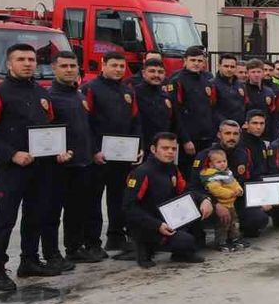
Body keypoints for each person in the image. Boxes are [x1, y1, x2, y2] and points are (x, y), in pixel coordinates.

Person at [0, 43, 68, 291]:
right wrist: (12, 154)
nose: (27, 64)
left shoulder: (41, 93)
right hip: (12, 170)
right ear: (9, 64)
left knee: (35, 216)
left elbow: (50, 126)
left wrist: (59, 149)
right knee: (4, 220)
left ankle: (29, 261)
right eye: (21, 59)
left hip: (41, 168)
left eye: (31, 60)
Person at [124, 132, 213, 268]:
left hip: (169, 219)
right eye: (165, 148)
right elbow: (129, 207)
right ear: (153, 149)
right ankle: (145, 247)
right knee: (186, 241)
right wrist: (157, 225)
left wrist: (205, 199)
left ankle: (180, 252)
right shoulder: (142, 173)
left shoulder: (172, 168)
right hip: (149, 224)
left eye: (173, 149)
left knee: (200, 209)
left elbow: (186, 190)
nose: (170, 152)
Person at [83, 51, 141, 255]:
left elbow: (135, 121)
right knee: (93, 201)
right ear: (103, 65)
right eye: (114, 65)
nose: (118, 70)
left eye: (121, 66)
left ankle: (116, 237)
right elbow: (85, 123)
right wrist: (93, 150)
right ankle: (92, 243)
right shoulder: (90, 89)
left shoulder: (128, 91)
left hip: (123, 156)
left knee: (119, 199)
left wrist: (138, 147)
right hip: (99, 157)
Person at [42, 51, 91, 268]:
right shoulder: (49, 97)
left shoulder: (79, 95)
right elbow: (44, 131)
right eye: (64, 66)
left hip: (81, 163)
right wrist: (56, 152)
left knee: (77, 210)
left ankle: (74, 248)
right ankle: (52, 254)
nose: (69, 70)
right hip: (58, 166)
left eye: (73, 66)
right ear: (54, 68)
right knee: (52, 213)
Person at [169, 46, 217, 178]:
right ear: (185, 61)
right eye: (193, 60)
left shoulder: (207, 81)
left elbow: (211, 109)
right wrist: (185, 140)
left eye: (199, 61)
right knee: (188, 175)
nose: (196, 63)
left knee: (206, 174)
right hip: (189, 139)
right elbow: (176, 113)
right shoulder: (177, 81)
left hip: (206, 138)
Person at [199, 148, 245, 251]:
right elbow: (215, 189)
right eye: (219, 162)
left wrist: (239, 190)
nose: (222, 164)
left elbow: (235, 183)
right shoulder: (212, 176)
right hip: (222, 204)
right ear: (211, 164)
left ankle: (234, 239)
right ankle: (221, 242)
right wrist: (231, 193)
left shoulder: (227, 173)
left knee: (233, 223)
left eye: (224, 161)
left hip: (231, 204)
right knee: (222, 225)